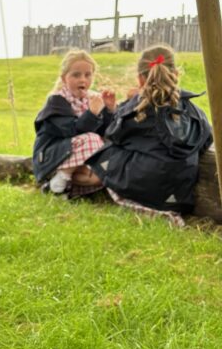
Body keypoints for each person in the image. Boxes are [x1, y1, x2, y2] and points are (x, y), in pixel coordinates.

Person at [87, 45, 212, 226]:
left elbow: (114, 134)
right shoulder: (193, 110)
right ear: (176, 74)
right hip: (177, 194)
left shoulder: (137, 108)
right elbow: (206, 139)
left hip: (143, 183)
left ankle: (77, 183)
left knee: (108, 151)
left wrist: (122, 106)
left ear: (140, 79)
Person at [33, 49, 116, 195]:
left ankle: (64, 188)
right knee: (93, 140)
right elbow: (71, 131)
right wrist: (92, 113)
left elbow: (106, 133)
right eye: (76, 75)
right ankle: (61, 178)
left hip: (77, 156)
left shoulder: (90, 99)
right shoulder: (57, 101)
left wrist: (109, 110)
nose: (83, 80)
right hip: (51, 158)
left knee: (100, 172)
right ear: (65, 78)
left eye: (88, 75)